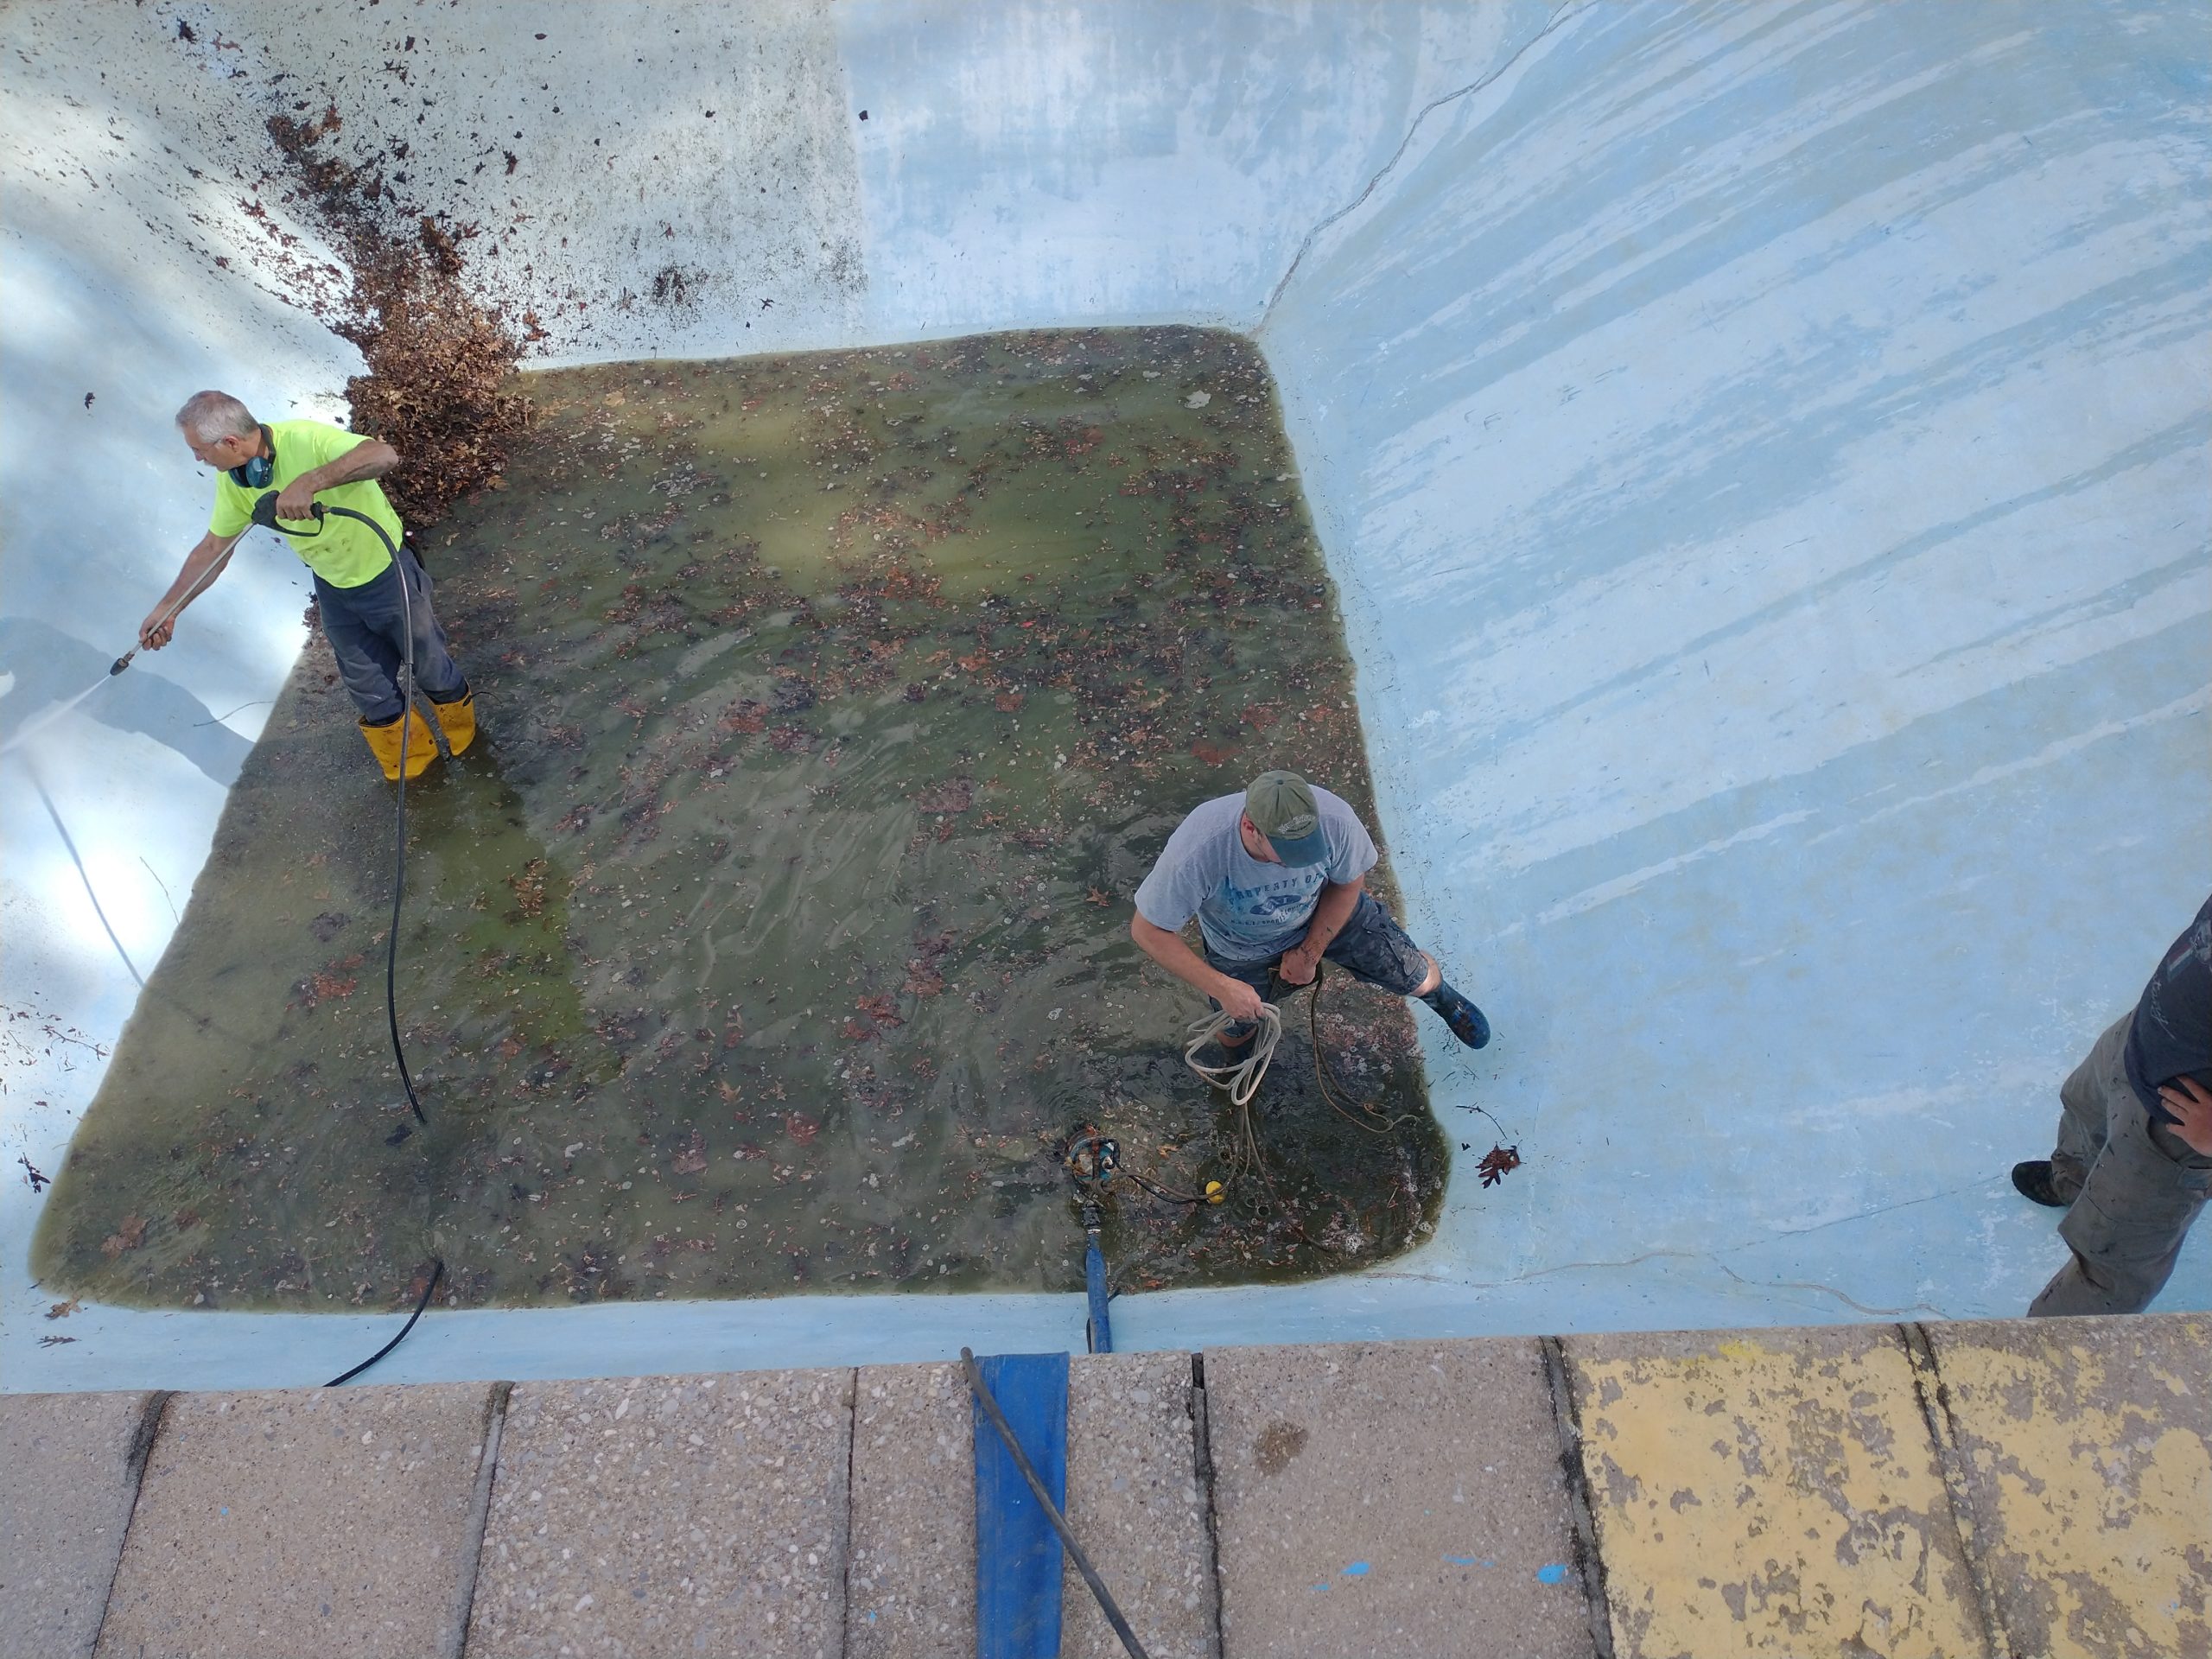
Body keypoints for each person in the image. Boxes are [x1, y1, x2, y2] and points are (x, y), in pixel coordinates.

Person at [138, 390, 474, 780]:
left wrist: (311, 482)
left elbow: (384, 455)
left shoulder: (305, 439)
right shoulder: (235, 482)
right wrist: (169, 608)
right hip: (333, 588)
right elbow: (214, 548)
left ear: (230, 442)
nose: (198, 459)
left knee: (432, 669)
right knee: (370, 691)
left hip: (388, 572)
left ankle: (469, 750)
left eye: (199, 450)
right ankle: (418, 775)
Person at [1129, 770, 1490, 1064]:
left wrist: (1310, 952)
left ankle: (1440, 996)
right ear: (1251, 828)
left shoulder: (1335, 819)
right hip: (1241, 946)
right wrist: (1222, 987)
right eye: (1288, 852)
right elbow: (1148, 930)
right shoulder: (1198, 851)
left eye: (1307, 846)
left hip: (1326, 911)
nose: (1299, 860)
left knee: (1409, 971)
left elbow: (1348, 884)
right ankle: (1239, 1062)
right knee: (1237, 1021)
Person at [2015, 894, 2212, 1315]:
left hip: (2177, 1126)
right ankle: (2072, 1182)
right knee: (2084, 1113)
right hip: (2143, 1040)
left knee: (2110, 1270)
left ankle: (2050, 1349)